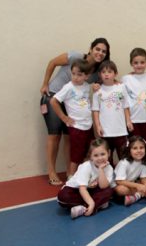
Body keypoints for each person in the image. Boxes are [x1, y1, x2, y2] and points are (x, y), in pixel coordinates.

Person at [40, 38, 110, 185]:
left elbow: (104, 83)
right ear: (90, 49)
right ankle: (52, 171)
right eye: (97, 49)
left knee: (69, 138)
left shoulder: (97, 72)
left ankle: (69, 172)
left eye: (104, 51)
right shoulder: (75, 57)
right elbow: (52, 62)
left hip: (72, 104)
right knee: (55, 135)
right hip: (54, 95)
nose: (100, 53)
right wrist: (45, 83)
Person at [50, 59, 94, 176]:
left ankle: (86, 176)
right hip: (77, 127)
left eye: (79, 75)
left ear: (87, 76)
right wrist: (64, 117)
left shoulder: (86, 86)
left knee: (90, 152)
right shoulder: (68, 87)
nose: (75, 77)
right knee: (76, 155)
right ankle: (71, 177)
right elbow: (53, 101)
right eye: (73, 73)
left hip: (88, 125)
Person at [57, 138, 114, 219]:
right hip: (76, 190)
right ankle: (95, 205)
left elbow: (103, 186)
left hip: (91, 191)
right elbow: (82, 189)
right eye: (96, 155)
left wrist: (101, 170)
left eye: (103, 154)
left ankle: (83, 208)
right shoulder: (86, 166)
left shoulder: (109, 168)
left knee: (109, 191)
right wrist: (91, 203)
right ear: (90, 156)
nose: (100, 158)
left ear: (109, 153)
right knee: (63, 196)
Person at [92, 61, 133, 165]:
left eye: (109, 71)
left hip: (120, 130)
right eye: (103, 72)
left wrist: (128, 121)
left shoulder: (121, 87)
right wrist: (98, 126)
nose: (106, 74)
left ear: (115, 74)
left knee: (123, 157)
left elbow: (125, 106)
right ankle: (108, 178)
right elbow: (95, 110)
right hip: (105, 132)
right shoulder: (97, 90)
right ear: (99, 74)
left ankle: (124, 178)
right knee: (106, 158)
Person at [121, 48, 146, 153]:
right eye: (136, 63)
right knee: (135, 147)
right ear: (131, 63)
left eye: (142, 62)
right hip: (133, 120)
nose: (139, 65)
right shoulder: (126, 78)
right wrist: (128, 120)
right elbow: (124, 101)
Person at [114, 136, 146, 206]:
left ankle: (137, 195)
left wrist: (145, 186)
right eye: (135, 148)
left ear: (145, 149)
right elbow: (119, 181)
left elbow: (143, 178)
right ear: (129, 150)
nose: (139, 151)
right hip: (121, 184)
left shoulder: (143, 161)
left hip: (133, 183)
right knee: (121, 189)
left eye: (141, 148)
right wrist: (139, 186)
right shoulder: (124, 163)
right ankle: (143, 193)